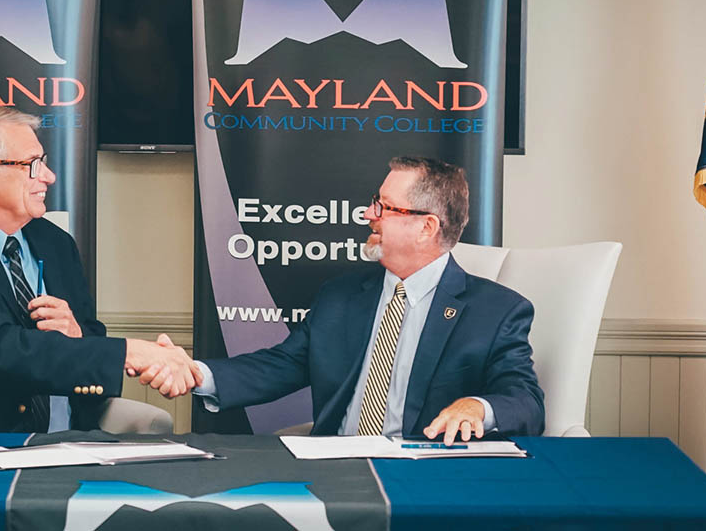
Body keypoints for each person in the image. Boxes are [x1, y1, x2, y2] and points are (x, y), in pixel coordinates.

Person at [164, 156, 544, 444]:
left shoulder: (496, 311)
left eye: (384, 207)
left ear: (426, 227)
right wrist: (197, 374)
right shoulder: (341, 296)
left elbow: (525, 400)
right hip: (335, 469)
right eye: (374, 202)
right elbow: (282, 366)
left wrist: (476, 407)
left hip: (426, 478)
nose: (367, 214)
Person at [0, 104, 200, 433]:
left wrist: (76, 335)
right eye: (32, 165)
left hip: (69, 441)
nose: (49, 177)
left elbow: (90, 338)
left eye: (44, 162)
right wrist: (130, 352)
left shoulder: (55, 242)